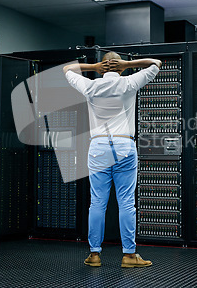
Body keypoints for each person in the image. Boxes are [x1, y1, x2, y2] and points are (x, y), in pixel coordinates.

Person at [63, 51, 161, 268]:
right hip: (124, 145)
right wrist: (127, 64)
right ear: (119, 66)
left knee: (97, 202)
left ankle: (95, 254)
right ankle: (129, 255)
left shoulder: (90, 86)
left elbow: (66, 69)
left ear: (103, 67)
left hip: (98, 147)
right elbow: (156, 63)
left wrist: (94, 67)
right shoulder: (128, 82)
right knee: (126, 202)